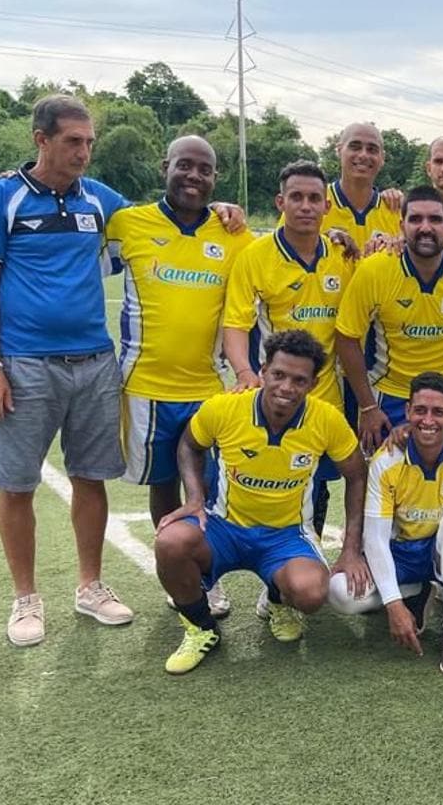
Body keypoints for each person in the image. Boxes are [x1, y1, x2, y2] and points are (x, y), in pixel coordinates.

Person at [0, 94, 133, 646]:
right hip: (25, 365)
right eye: (73, 141)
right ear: (40, 139)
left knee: (91, 477)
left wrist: (222, 213)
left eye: (90, 142)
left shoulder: (98, 198)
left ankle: (90, 586)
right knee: (16, 482)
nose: (84, 153)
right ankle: (25, 597)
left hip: (95, 360)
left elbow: (158, 219)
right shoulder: (1, 197)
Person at [153, 330, 368, 674]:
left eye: (299, 380)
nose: (286, 387)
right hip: (223, 527)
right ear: (264, 370)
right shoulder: (225, 407)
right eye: (279, 375)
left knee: (312, 593)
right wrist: (194, 498)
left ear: (312, 384)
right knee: (170, 542)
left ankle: (277, 600)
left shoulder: (326, 419)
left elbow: (357, 474)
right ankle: (201, 628)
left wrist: (351, 547)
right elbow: (190, 444)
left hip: (286, 535)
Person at [106, 135, 255, 615]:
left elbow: (274, 258)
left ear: (216, 178)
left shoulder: (232, 234)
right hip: (145, 387)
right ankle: (179, 577)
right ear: (165, 165)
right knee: (163, 484)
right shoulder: (128, 223)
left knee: (207, 488)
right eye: (185, 166)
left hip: (207, 387)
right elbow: (74, 250)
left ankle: (205, 578)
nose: (194, 176)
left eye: (205, 170)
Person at [327, 372, 443, 676]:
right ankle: (415, 591)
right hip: (401, 553)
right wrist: (393, 604)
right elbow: (374, 540)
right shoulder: (385, 461)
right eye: (420, 411)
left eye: (439, 412)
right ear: (407, 412)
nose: (428, 420)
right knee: (339, 593)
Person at [223, 161, 355, 544]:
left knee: (318, 483)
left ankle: (303, 558)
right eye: (296, 197)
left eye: (315, 198)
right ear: (281, 201)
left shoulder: (341, 254)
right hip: (277, 394)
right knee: (272, 477)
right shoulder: (256, 255)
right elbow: (236, 323)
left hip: (327, 396)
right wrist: (247, 374)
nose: (306, 206)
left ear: (327, 206)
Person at [335, 185, 443, 445]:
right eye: (415, 219)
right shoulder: (374, 270)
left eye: (435, 219)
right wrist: (368, 407)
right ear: (402, 226)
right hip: (388, 396)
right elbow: (347, 337)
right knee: (384, 480)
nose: (425, 227)